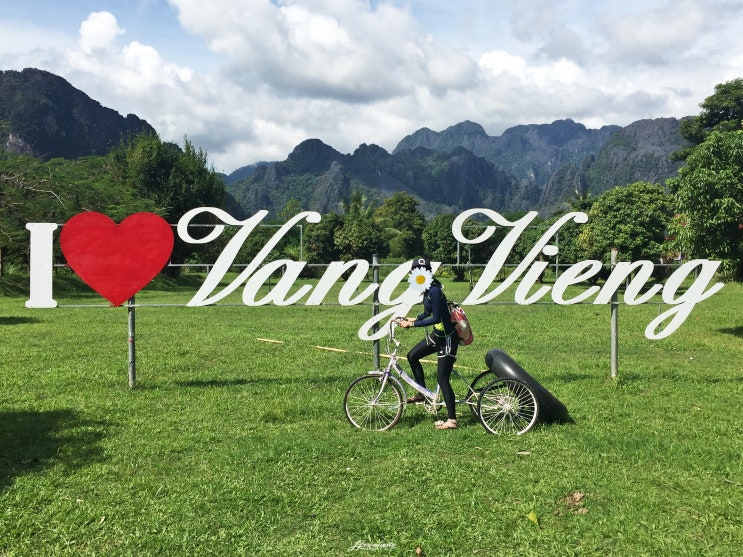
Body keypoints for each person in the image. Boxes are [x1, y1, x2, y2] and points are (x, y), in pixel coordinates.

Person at [399, 257, 460, 430]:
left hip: (447, 339)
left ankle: (452, 420)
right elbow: (428, 311)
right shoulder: (427, 290)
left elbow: (436, 318)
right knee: (412, 356)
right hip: (437, 336)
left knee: (442, 378)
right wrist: (415, 318)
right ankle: (422, 393)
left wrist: (412, 324)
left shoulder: (434, 290)